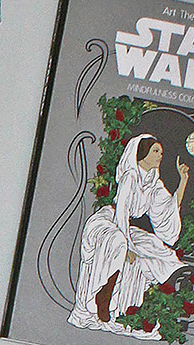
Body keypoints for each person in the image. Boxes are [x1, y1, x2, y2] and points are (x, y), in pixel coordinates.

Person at [69, 134, 187, 331]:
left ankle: (132, 306)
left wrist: (183, 181)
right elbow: (122, 212)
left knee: (157, 248)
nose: (160, 155)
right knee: (118, 242)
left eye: (161, 152)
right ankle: (103, 296)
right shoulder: (130, 176)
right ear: (142, 153)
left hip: (126, 226)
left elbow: (168, 210)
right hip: (109, 221)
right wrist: (128, 246)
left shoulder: (154, 182)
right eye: (155, 151)